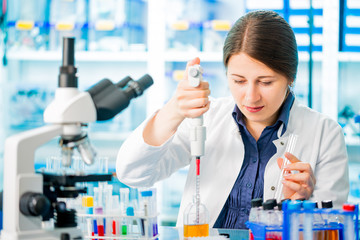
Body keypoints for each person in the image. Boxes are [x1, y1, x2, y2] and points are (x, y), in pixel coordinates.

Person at [116, 10, 349, 229]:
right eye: (238, 80)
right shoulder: (206, 117)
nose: (251, 96)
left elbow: (333, 226)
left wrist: (298, 208)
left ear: (290, 77)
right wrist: (173, 111)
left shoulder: (324, 133)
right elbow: (134, 174)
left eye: (265, 82)